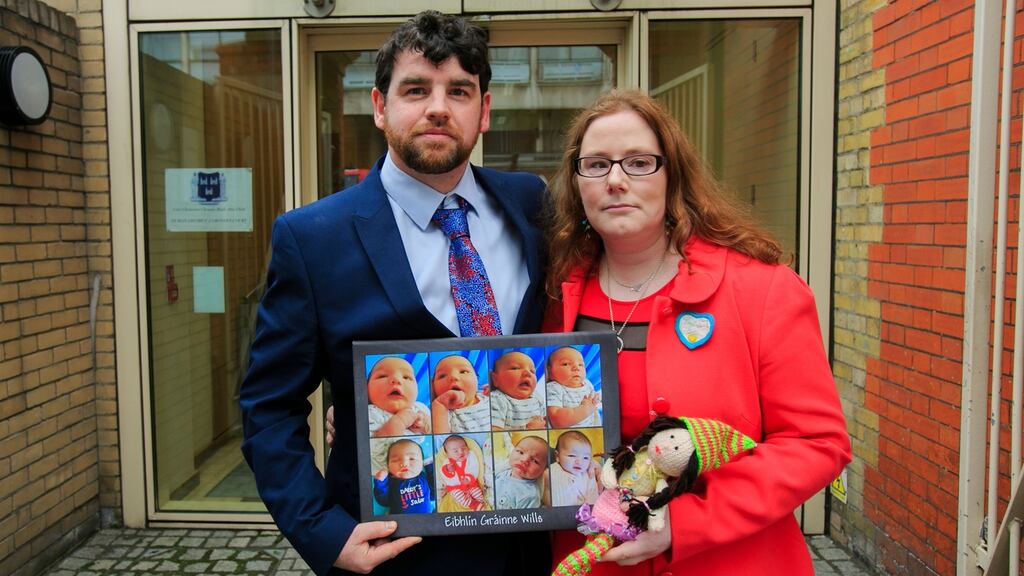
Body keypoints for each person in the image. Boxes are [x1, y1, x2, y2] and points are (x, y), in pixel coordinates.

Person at [239, 10, 550, 576]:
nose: (438, 107)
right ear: (380, 107)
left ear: (483, 111)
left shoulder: (533, 204)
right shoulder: (312, 238)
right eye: (416, 89)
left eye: (459, 90)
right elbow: (268, 408)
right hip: (395, 552)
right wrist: (323, 532)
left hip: (532, 542)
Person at [542, 90, 851, 575]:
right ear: (576, 183)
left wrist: (683, 524)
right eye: (596, 165)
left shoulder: (761, 289)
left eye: (639, 162)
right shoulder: (556, 296)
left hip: (732, 561)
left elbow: (816, 443)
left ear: (673, 176)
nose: (616, 181)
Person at [367, 356, 431, 437]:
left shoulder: (421, 409)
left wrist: (427, 426)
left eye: (406, 377)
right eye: (382, 376)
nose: (396, 379)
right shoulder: (369, 415)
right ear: (366, 387)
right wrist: (400, 422)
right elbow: (374, 446)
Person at [431, 354, 490, 433]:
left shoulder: (487, 396)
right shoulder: (443, 413)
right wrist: (439, 405)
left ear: (477, 379)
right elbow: (440, 438)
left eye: (463, 372)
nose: (453, 376)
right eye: (442, 376)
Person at [373, 439, 435, 514]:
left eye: (412, 459)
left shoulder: (423, 478)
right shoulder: (391, 482)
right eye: (396, 460)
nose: (404, 463)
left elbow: (433, 494)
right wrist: (381, 483)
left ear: (422, 463)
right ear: (388, 465)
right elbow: (384, 501)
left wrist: (429, 466)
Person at [545, 346, 601, 428]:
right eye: (565, 364)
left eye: (581, 365)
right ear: (549, 371)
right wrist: (585, 409)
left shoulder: (587, 383)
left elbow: (594, 402)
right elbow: (556, 420)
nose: (576, 368)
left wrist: (596, 399)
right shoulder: (554, 388)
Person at [489, 350, 546, 430]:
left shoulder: (537, 397)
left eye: (532, 371)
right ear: (495, 379)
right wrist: (528, 430)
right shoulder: (497, 400)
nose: (527, 373)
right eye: (515, 368)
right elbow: (495, 433)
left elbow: (545, 420)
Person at [494, 434, 548, 510]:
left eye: (535, 461)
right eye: (521, 452)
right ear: (512, 451)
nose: (525, 460)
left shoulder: (531, 495)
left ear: (543, 471)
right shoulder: (502, 472)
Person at [549, 430, 600, 507]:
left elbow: (593, 496)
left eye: (585, 458)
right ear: (557, 456)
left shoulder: (589, 475)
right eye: (572, 456)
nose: (579, 462)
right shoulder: (552, 470)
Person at [436, 434, 487, 511]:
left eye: (463, 448)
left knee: (478, 492)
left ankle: (479, 503)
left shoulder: (471, 457)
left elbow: (475, 467)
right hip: (456, 487)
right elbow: (443, 475)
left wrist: (468, 478)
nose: (460, 452)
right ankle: (471, 504)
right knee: (459, 496)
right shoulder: (447, 462)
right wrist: (448, 471)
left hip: (471, 484)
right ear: (448, 454)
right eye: (455, 451)